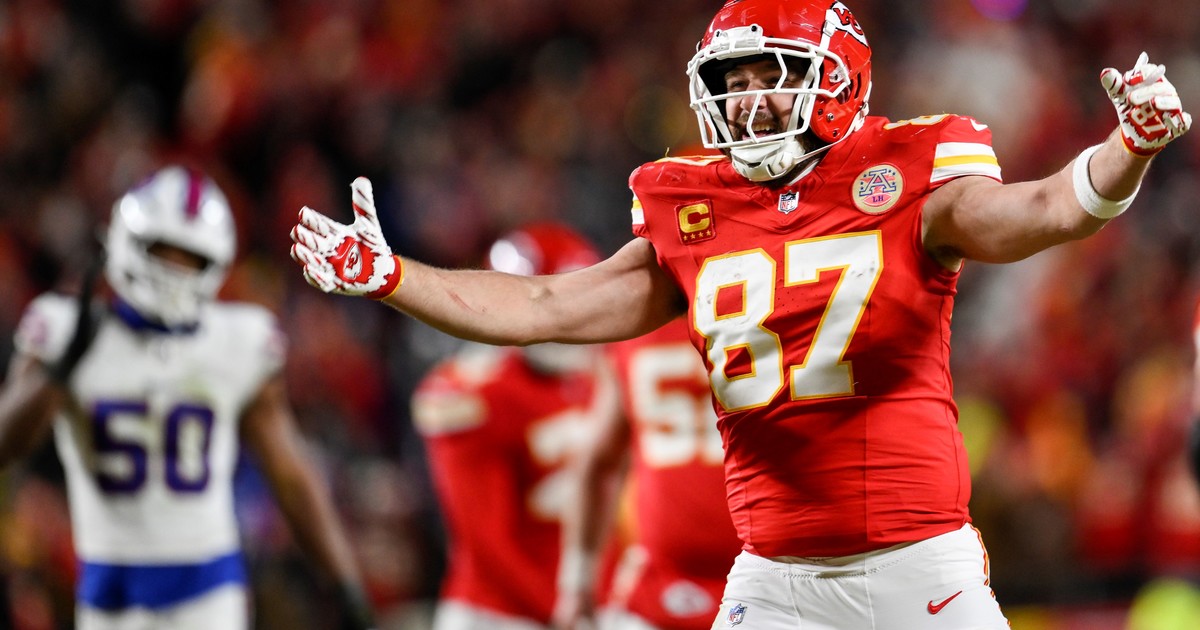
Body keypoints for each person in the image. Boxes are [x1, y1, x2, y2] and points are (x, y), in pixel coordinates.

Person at [288, 0, 1191, 627]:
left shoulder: (911, 168)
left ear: (837, 78)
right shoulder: (691, 203)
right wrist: (392, 276)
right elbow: (545, 303)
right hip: (774, 580)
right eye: (735, 79)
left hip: (917, 564)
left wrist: (1126, 149)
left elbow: (1045, 210)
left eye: (774, 75)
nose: (749, 100)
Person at [0, 165, 376, 630]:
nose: (173, 271)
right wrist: (59, 370)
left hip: (207, 585)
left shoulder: (237, 341)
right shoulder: (63, 328)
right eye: (161, 252)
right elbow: (8, 443)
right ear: (124, 242)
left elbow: (290, 474)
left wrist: (345, 584)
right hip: (110, 586)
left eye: (190, 260)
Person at [410, 222, 611, 630]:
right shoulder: (474, 394)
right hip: (497, 616)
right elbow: (486, 544)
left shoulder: (602, 375)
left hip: (583, 603)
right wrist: (568, 614)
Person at [553, 316, 741, 630]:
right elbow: (598, 461)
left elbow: (597, 462)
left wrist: (576, 583)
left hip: (760, 574)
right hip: (671, 580)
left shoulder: (633, 326)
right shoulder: (766, 313)